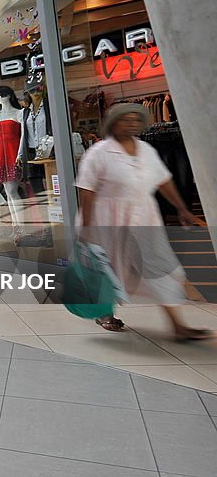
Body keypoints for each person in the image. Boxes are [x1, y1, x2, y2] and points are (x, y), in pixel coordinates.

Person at [77, 103, 212, 340]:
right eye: (124, 119)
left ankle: (178, 325)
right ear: (113, 123)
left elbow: (164, 180)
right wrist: (88, 227)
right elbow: (86, 190)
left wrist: (182, 209)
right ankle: (105, 313)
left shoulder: (147, 150)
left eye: (135, 119)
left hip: (144, 218)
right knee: (109, 269)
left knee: (161, 267)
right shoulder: (98, 153)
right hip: (108, 221)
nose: (131, 124)